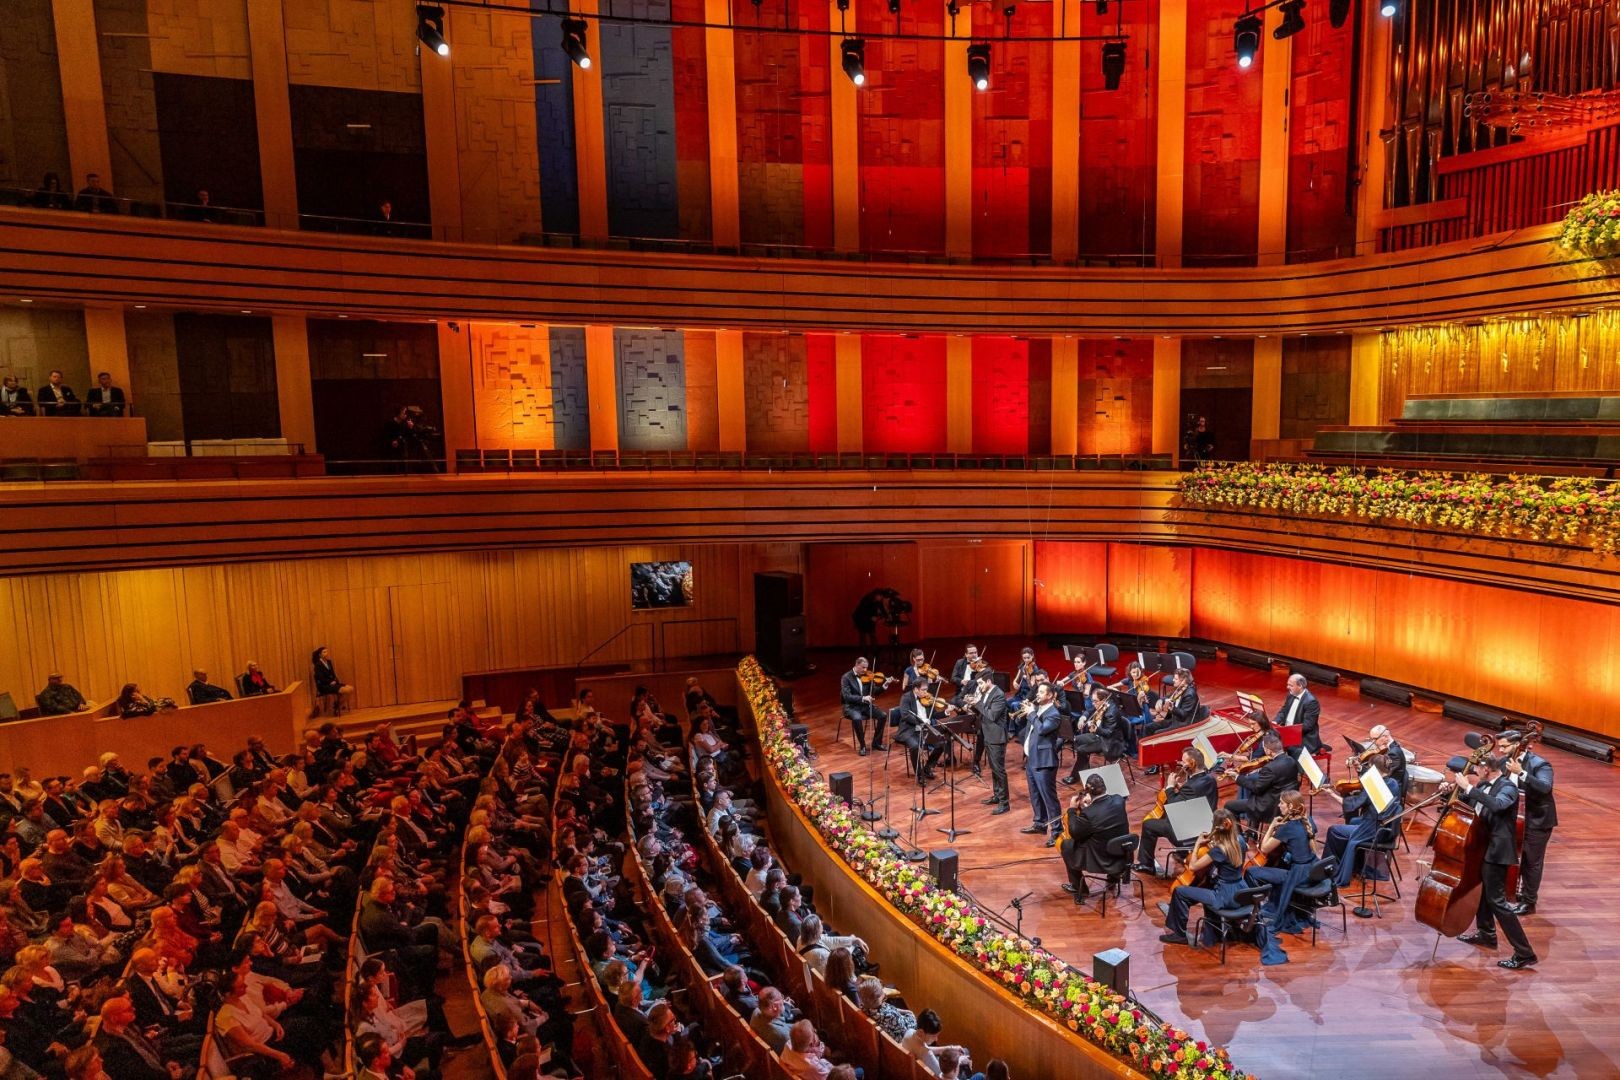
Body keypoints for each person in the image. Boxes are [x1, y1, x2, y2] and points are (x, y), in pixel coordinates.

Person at [1452, 753, 1538, 969]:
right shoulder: (1483, 785)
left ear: (1486, 769)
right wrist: (1455, 792)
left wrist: (1469, 788)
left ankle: (1525, 952)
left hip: (1498, 852)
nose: (1475, 772)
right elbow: (1473, 803)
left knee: (1497, 901)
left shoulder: (1508, 787)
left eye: (1477, 769)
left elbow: (1497, 805)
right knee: (1483, 893)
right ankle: (1486, 933)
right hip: (1483, 847)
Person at [1160, 809, 1247, 946]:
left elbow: (1193, 866)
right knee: (1207, 883)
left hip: (1224, 896)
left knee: (1180, 892)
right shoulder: (1240, 840)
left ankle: (1179, 935)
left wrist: (1197, 845)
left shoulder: (1219, 850)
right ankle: (1212, 931)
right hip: (1240, 891)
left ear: (1217, 827)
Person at [1321, 752, 1402, 887]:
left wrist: (1331, 794)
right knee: (1353, 822)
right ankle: (1352, 865)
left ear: (1374, 770)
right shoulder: (1393, 783)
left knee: (1333, 830)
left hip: (1373, 830)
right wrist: (1360, 769)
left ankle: (1333, 870)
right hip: (1385, 829)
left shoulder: (1375, 787)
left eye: (1369, 768)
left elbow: (1352, 805)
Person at [1498, 730, 1555, 915]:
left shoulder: (1540, 764)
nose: (1500, 750)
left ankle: (1529, 901)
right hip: (1514, 819)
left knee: (1531, 862)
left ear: (1517, 745)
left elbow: (1545, 787)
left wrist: (1521, 773)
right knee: (1511, 857)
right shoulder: (1503, 762)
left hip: (1537, 821)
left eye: (1504, 746)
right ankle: (1507, 892)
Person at [1136, 748, 1218, 876]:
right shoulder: (1210, 779)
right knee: (1165, 819)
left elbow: (1174, 806)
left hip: (1190, 834)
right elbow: (1194, 798)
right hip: (1207, 827)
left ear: (1192, 763)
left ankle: (1146, 865)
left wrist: (1170, 786)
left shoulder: (1191, 786)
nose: (1180, 763)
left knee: (1149, 824)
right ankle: (1182, 853)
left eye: (1183, 761)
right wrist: (1181, 790)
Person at [1059, 774, 1130, 903]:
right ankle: (1113, 878)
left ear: (1088, 791)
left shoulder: (1089, 813)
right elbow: (1102, 814)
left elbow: (1074, 833)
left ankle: (1079, 888)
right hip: (1120, 855)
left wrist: (1072, 809)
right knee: (1109, 834)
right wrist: (1091, 804)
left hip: (1101, 860)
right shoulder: (1119, 800)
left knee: (1066, 845)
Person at [1015, 683, 1062, 845]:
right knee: (1035, 794)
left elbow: (1042, 730)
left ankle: (1057, 831)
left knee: (1049, 798)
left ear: (1050, 696)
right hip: (1032, 758)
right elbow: (1026, 728)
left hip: (1044, 761)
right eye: (1038, 691)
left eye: (1042, 692)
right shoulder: (1036, 708)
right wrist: (1026, 713)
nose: (1038, 694)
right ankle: (1040, 823)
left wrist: (1032, 714)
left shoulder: (1054, 714)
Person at [1223, 734, 1299, 827]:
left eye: (1264, 748)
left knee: (1229, 805)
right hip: (1285, 801)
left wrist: (1237, 777)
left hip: (1269, 806)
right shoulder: (1291, 760)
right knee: (1254, 796)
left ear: (1268, 751)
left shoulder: (1270, 768)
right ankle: (1252, 831)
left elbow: (1256, 788)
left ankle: (1240, 835)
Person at [969, 670, 1010, 816]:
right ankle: (997, 795)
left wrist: (978, 703)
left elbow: (992, 715)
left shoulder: (998, 695)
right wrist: (972, 705)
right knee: (993, 769)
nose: (979, 686)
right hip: (987, 735)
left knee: (999, 770)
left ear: (988, 681)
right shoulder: (986, 693)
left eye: (980, 683)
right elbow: (983, 712)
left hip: (996, 738)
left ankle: (1004, 803)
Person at [1064, 686, 1127, 782]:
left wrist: (1096, 729)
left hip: (1110, 742)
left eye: (1095, 701)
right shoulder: (1101, 704)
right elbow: (1090, 710)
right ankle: (1085, 771)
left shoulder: (1111, 713)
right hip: (1098, 736)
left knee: (1081, 750)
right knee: (1076, 740)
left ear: (1104, 699)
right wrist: (1083, 717)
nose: (1093, 704)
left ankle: (1076, 776)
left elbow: (1108, 733)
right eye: (1092, 701)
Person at [839, 658, 890, 757]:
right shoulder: (846, 677)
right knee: (857, 718)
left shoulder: (868, 676)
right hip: (851, 707)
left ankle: (876, 743)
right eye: (863, 667)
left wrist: (884, 686)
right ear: (857, 665)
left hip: (865, 706)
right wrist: (862, 698)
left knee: (883, 715)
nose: (865, 670)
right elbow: (847, 696)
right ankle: (862, 746)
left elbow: (873, 692)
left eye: (866, 667)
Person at [900, 1009, 966, 1075]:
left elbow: (926, 1048)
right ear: (921, 1032)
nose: (936, 1039)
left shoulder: (910, 1032)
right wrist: (959, 1061)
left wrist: (950, 1048)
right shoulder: (926, 1054)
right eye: (934, 1036)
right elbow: (943, 1074)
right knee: (965, 1054)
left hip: (910, 1069)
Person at [1277, 674, 1322, 755]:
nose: (1287, 687)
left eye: (1291, 685)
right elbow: (1283, 711)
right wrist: (1275, 721)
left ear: (1300, 686)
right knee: (1268, 741)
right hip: (1287, 732)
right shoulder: (1291, 695)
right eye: (1287, 684)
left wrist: (1288, 731)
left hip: (1302, 737)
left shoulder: (1311, 702)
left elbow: (1307, 726)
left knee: (1283, 749)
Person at [311, 646, 353, 715]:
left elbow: (333, 674)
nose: (326, 653)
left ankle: (337, 705)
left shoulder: (329, 662)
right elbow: (320, 678)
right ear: (320, 654)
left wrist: (335, 680)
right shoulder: (318, 665)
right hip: (324, 685)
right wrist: (330, 682)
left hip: (333, 683)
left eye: (326, 652)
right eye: (324, 652)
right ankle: (336, 707)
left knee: (351, 689)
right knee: (346, 690)